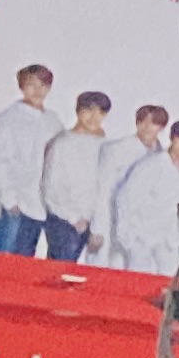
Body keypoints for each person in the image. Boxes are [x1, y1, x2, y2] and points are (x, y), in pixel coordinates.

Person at [0, 63, 58, 256]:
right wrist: (8, 199)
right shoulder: (7, 120)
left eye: (43, 85)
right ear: (21, 86)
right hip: (11, 209)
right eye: (31, 84)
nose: (38, 90)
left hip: (38, 210)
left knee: (20, 271)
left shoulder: (53, 123)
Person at [110, 119, 179, 276]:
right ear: (172, 138)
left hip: (169, 235)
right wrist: (127, 237)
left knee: (169, 281)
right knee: (140, 280)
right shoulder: (151, 165)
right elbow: (126, 199)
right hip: (141, 234)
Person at [40, 93, 115, 263]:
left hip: (89, 222)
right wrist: (73, 218)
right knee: (58, 272)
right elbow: (51, 187)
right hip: (64, 221)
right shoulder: (62, 144)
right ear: (78, 111)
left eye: (100, 113)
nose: (94, 117)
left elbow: (103, 187)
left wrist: (96, 224)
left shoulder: (104, 145)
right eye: (89, 110)